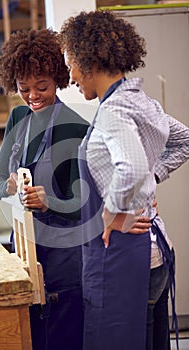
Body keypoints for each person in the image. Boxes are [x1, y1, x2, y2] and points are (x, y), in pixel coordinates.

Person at [59, 10, 189, 350]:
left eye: (70, 63)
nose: (71, 77)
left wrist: (112, 211)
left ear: (87, 62)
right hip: (155, 252)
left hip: (128, 260)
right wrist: (153, 177)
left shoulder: (114, 111)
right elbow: (184, 139)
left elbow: (130, 166)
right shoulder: (140, 101)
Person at [0, 28, 90, 350]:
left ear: (57, 79)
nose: (32, 96)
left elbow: (85, 206)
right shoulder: (17, 117)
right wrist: (7, 186)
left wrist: (50, 203)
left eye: (42, 87)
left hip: (64, 262)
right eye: (24, 88)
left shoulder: (75, 127)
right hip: (25, 253)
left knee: (63, 339)